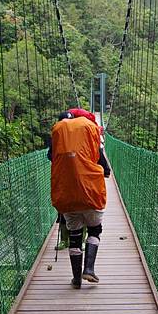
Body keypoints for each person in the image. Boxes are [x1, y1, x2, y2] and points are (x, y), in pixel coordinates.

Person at [50, 111, 109, 288]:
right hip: (91, 193)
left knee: (74, 236)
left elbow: (52, 157)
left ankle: (76, 279)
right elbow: (105, 168)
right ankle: (89, 269)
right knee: (94, 230)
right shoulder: (90, 134)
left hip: (66, 195)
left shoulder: (58, 135)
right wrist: (103, 170)